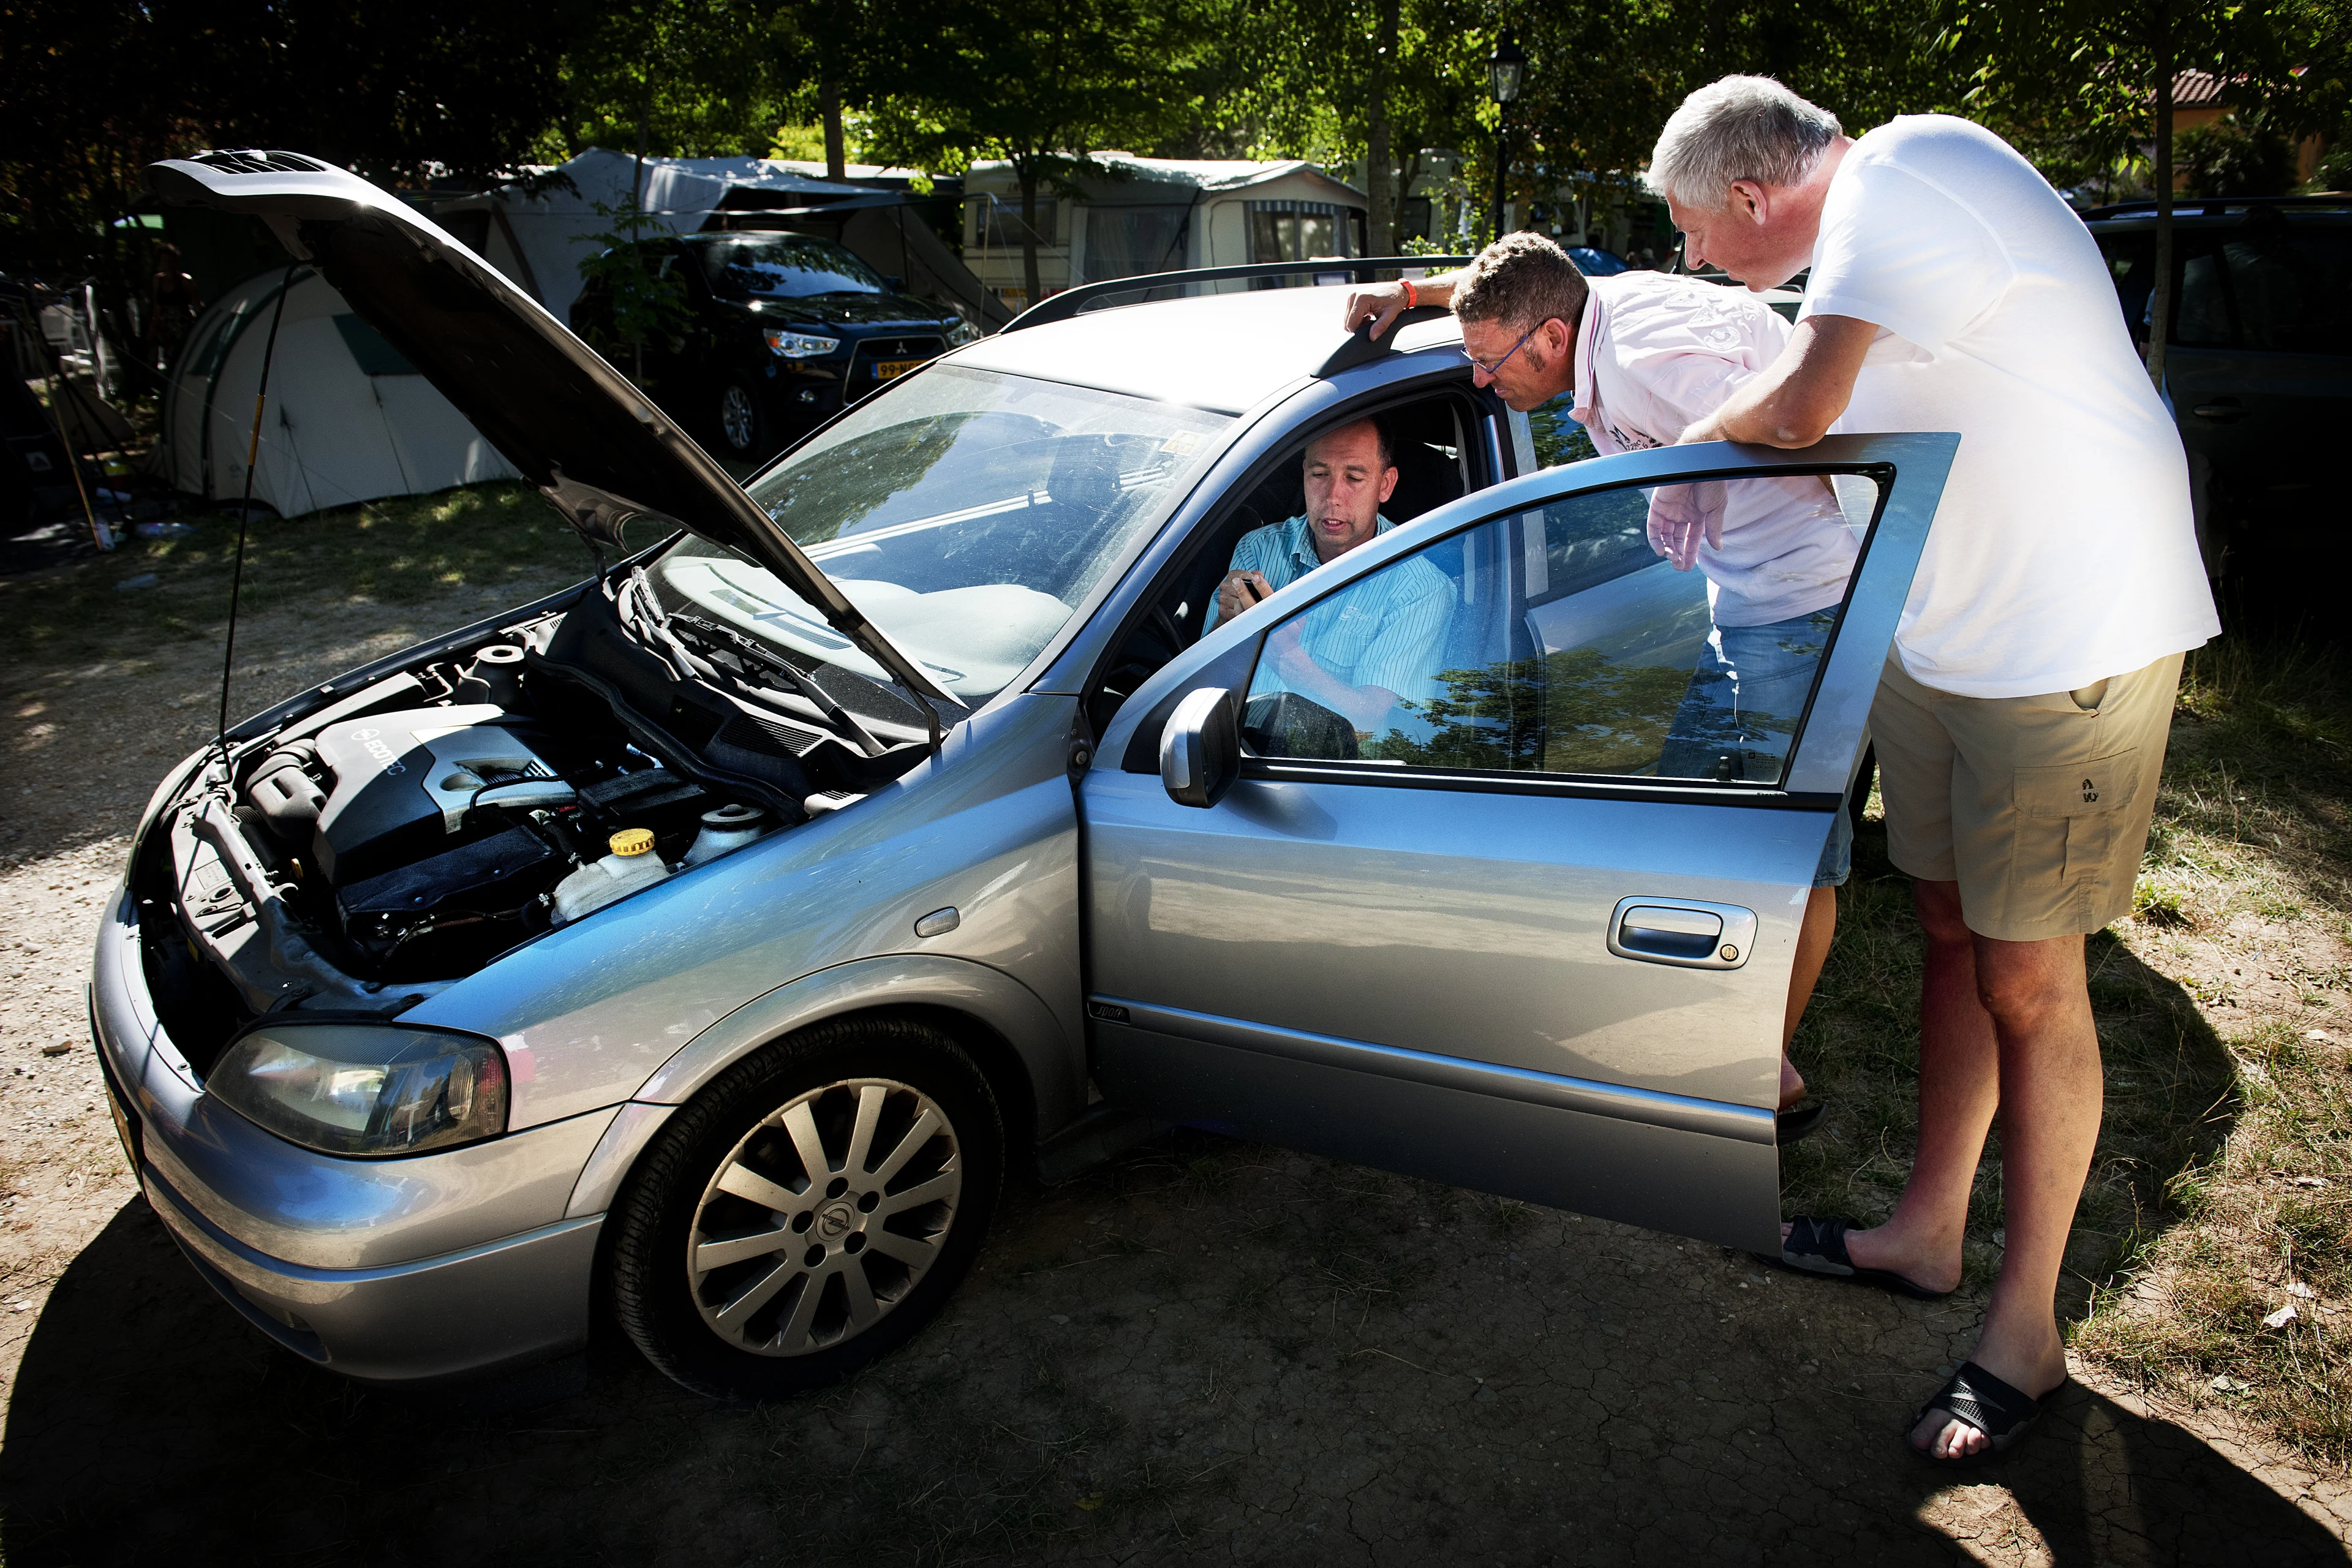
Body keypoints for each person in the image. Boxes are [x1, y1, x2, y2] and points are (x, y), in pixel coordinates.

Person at [1646, 76, 2219, 1463]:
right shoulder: (1854, 254)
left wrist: (1680, 457)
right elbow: (1834, 423)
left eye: (1686, 232)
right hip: (1946, 626)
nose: (1688, 261)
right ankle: (1922, 1230)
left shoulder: (1907, 174)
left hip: (2064, 632)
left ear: (1745, 195)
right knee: (1951, 933)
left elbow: (1799, 409)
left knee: (2027, 973)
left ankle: (2025, 1329)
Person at [1341, 232, 1860, 1137]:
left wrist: (1689, 479)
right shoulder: (1576, 308)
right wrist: (1417, 292)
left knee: (1791, 853)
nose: (1475, 380)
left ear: (1548, 342)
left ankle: (1762, 1081)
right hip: (1739, 596)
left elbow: (1789, 424)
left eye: (1483, 360)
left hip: (1798, 602)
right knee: (1703, 828)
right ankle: (1726, 1041)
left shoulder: (1643, 357)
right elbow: (1524, 281)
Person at [1205, 417, 1452, 739]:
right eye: (1320, 474)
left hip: (1322, 772)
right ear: (1304, 475)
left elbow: (1366, 723)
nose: (1333, 496)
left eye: (1354, 478)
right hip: (1221, 748)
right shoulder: (1259, 549)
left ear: (1385, 485)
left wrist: (1283, 653)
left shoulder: (1420, 589)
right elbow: (1203, 679)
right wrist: (1224, 626)